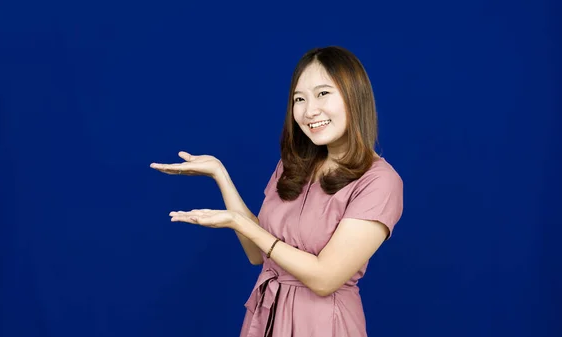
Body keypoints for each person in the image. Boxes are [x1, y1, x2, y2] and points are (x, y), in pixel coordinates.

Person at [150, 46, 403, 337]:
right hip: (268, 317)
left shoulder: (380, 181)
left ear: (354, 95)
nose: (310, 110)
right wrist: (221, 175)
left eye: (323, 94)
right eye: (299, 99)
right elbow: (258, 254)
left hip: (323, 325)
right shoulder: (292, 165)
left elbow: (324, 278)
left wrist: (240, 222)